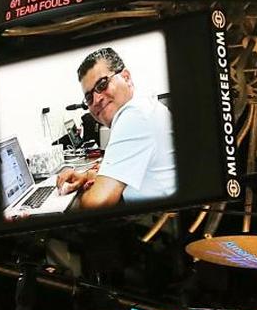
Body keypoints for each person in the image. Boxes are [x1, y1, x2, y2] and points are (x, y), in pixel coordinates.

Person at [55, 47, 177, 209]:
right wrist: (86, 176)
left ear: (126, 77)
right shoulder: (145, 107)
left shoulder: (135, 114)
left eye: (102, 84)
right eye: (89, 97)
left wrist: (90, 186)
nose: (97, 99)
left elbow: (96, 204)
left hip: (158, 224)